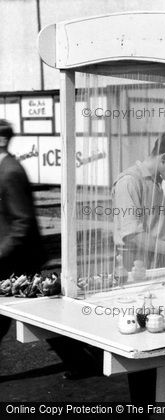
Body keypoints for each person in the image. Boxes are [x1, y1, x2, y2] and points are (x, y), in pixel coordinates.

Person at [113, 123, 165, 271]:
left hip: (159, 264)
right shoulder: (129, 182)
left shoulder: (158, 182)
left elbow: (159, 227)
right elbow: (133, 236)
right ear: (164, 158)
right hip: (137, 268)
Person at [0, 119, 46, 346]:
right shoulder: (4, 168)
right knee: (41, 313)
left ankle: (80, 361)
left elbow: (22, 221)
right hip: (12, 257)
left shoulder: (10, 172)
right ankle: (79, 361)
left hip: (17, 259)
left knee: (40, 312)